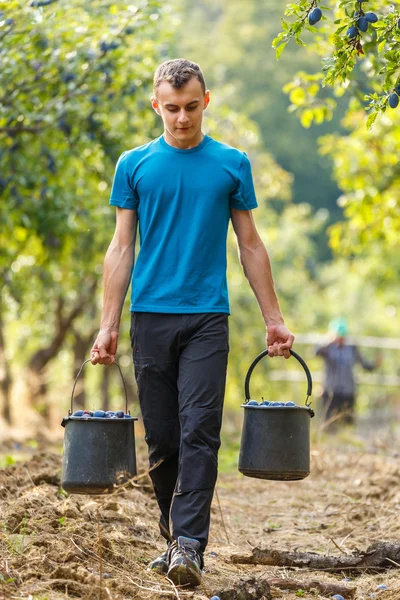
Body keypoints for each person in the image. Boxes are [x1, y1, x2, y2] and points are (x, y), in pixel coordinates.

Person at [90, 58, 294, 588]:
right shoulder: (134, 165)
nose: (182, 118)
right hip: (150, 316)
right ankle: (172, 537)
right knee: (162, 440)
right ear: (156, 106)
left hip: (208, 317)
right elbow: (120, 247)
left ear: (207, 102)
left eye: (191, 107)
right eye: (172, 109)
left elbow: (250, 244)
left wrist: (274, 319)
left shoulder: (231, 164)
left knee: (199, 431)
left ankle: (189, 544)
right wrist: (107, 324)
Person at [316, 318, 380, 426]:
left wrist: (375, 364)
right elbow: (316, 352)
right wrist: (330, 340)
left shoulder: (351, 348)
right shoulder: (328, 347)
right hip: (331, 391)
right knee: (329, 423)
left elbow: (364, 364)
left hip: (348, 391)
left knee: (347, 422)